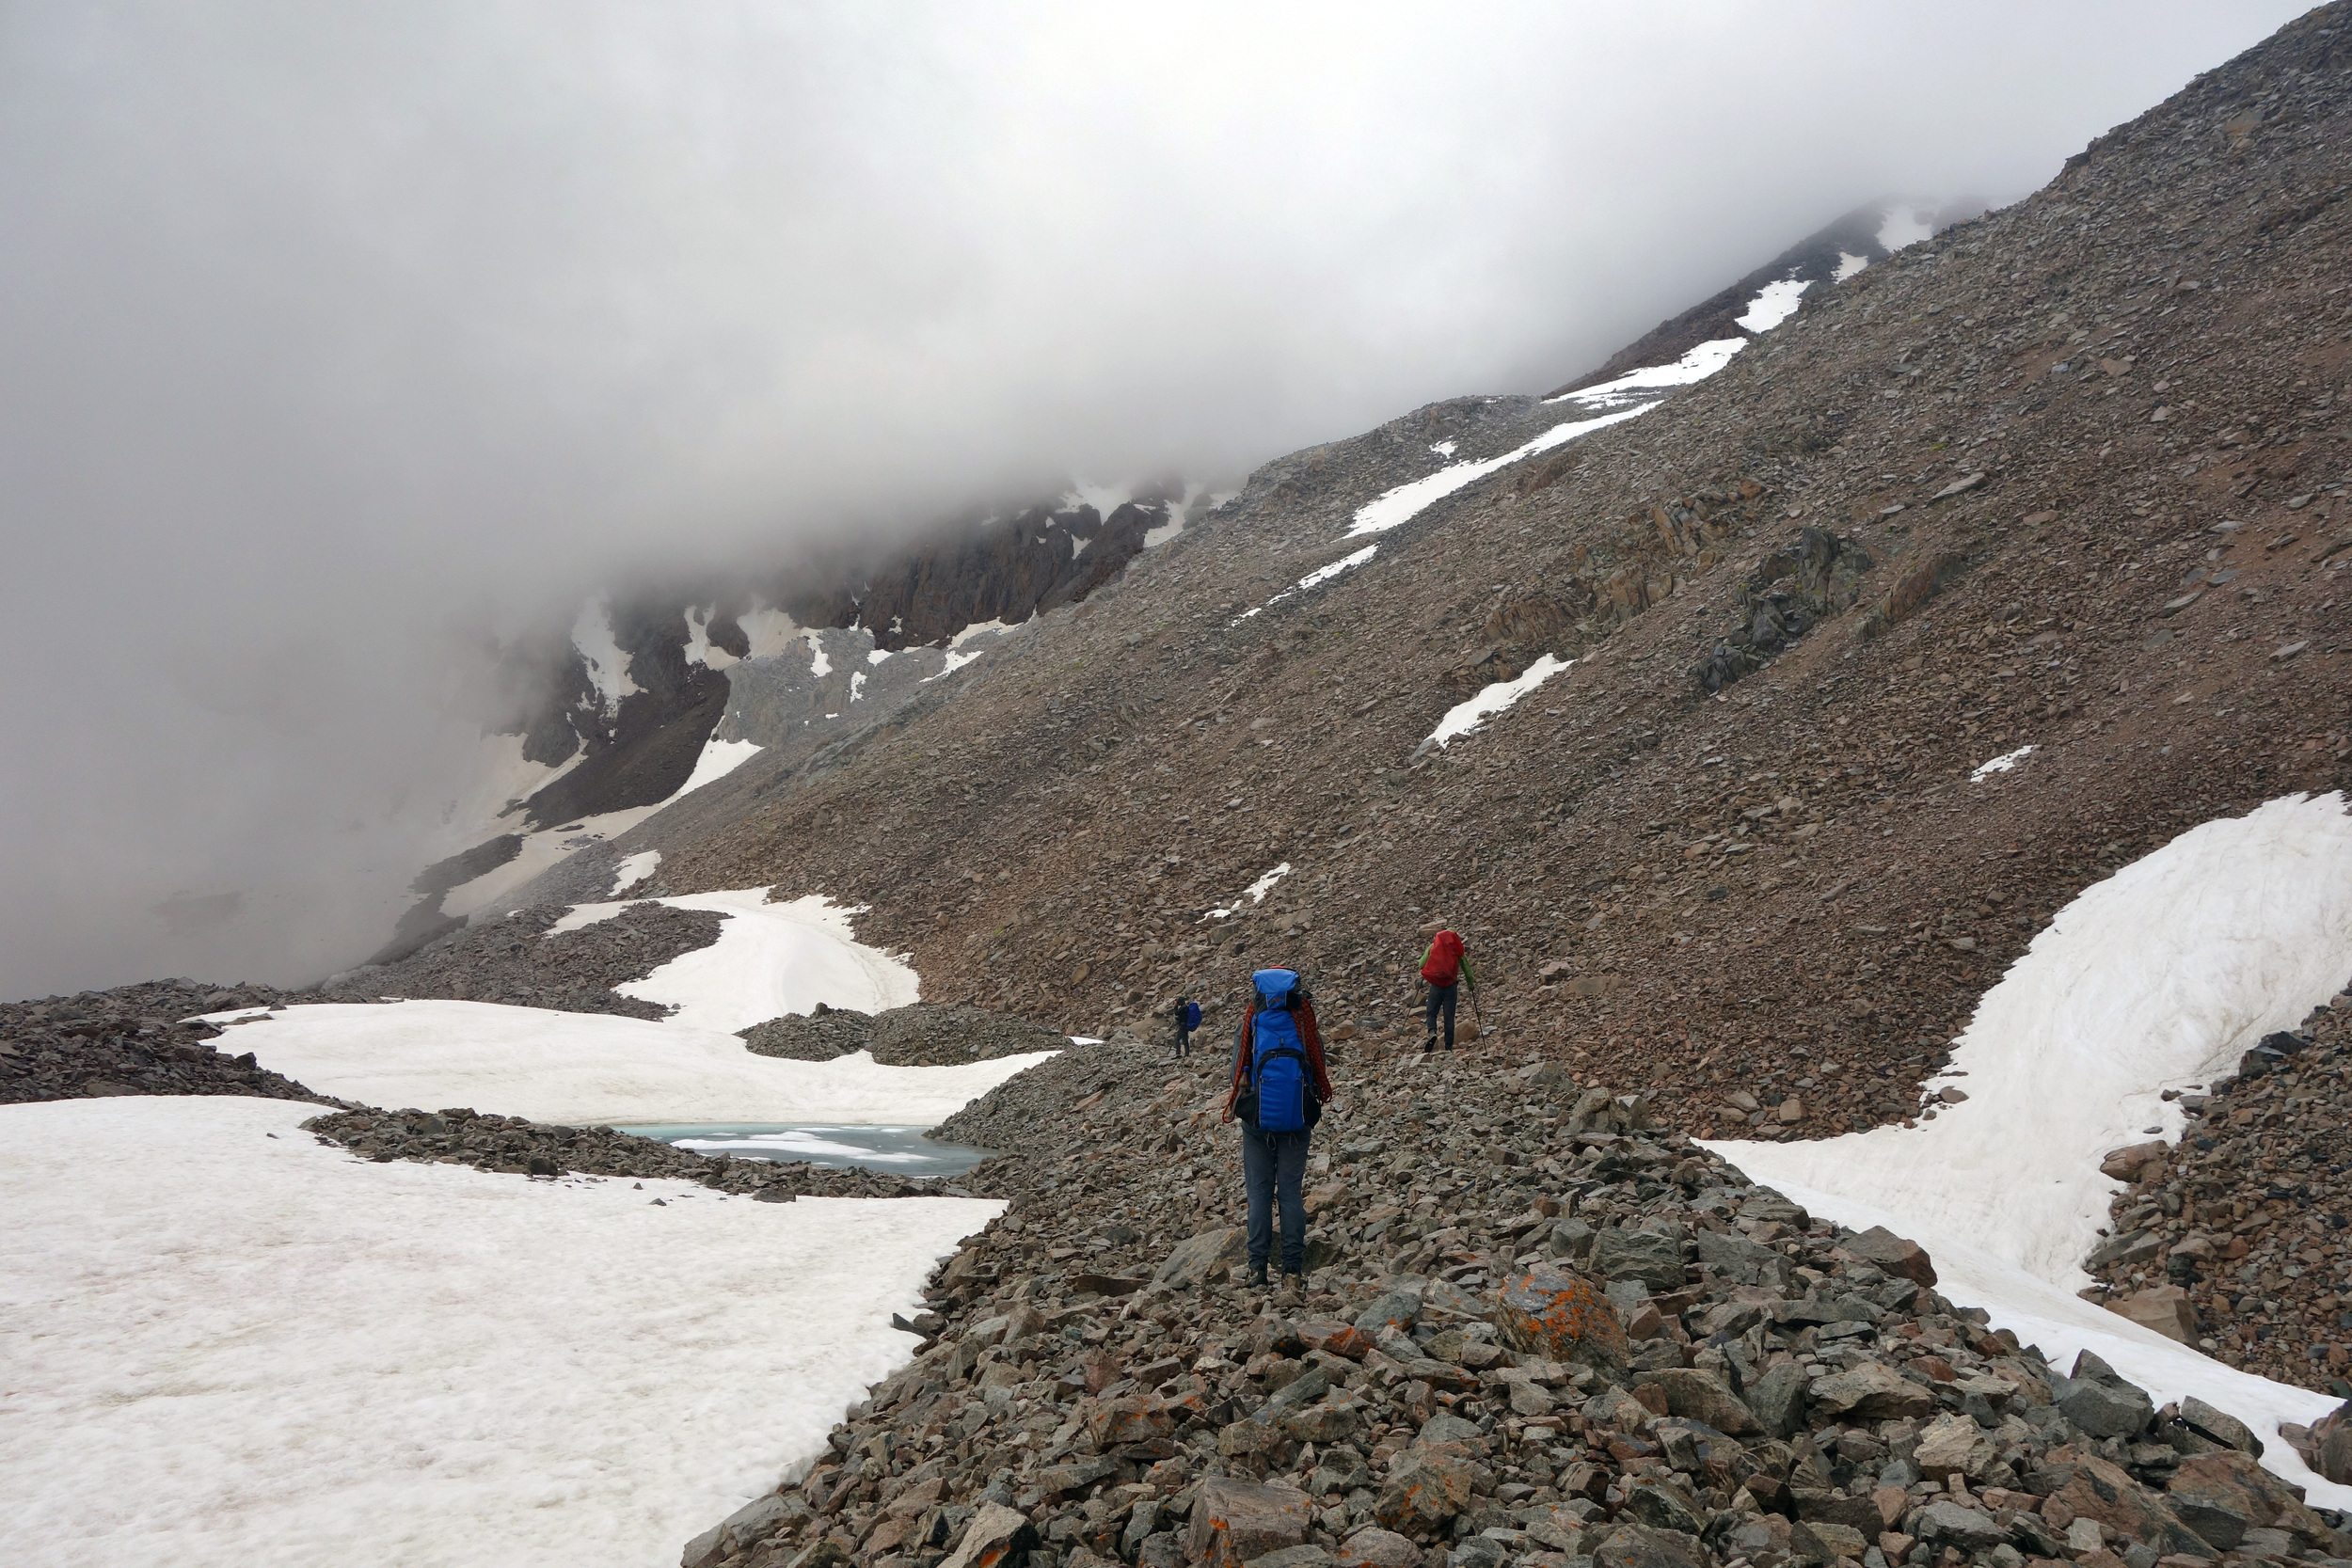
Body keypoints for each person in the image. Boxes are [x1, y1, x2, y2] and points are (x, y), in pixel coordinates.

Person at [1221, 967, 1337, 1302]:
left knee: (1258, 1194)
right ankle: (1292, 1272)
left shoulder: (1251, 1023)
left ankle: (1257, 1270)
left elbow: (1235, 1073)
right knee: (1289, 1193)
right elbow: (1319, 1067)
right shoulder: (1303, 1022)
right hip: (1297, 1120)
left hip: (1257, 1122)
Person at [1419, 927, 1476, 1051]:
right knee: (1449, 1016)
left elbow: (1421, 963)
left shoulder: (1434, 946)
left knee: (1431, 1012)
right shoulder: (1456, 947)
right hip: (1451, 986)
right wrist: (1470, 984)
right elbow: (1466, 968)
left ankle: (1432, 1032)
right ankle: (1448, 1047)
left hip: (1436, 985)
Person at [1172, 995, 1201, 1059]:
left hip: (1183, 1026)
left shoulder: (1183, 1007)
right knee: (1185, 1040)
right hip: (1185, 1025)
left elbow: (1176, 1013)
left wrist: (1175, 1006)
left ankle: (1178, 1053)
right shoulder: (1186, 1007)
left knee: (1177, 1039)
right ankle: (1186, 1054)